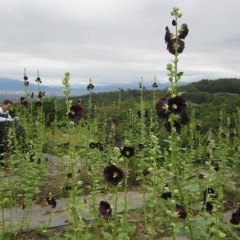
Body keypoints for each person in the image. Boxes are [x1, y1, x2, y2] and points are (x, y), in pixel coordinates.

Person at [0, 99, 13, 165]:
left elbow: (9, 118)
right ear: (4, 104)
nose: (9, 108)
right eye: (8, 106)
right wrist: (6, 119)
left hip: (3, 132)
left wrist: (13, 119)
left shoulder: (6, 112)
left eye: (10, 107)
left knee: (2, 147)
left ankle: (1, 162)